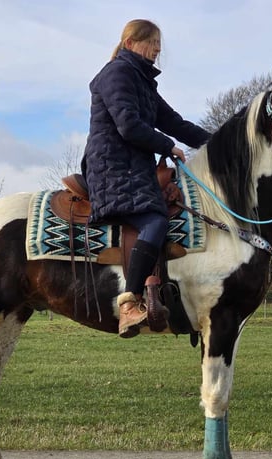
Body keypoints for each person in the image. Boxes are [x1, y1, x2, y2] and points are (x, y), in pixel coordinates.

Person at [82, 19, 211, 338]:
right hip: (112, 167)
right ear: (130, 43)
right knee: (155, 222)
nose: (158, 49)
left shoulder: (142, 82)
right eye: (152, 42)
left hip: (132, 167)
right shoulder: (117, 74)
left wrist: (220, 142)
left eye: (158, 44)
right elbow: (128, 126)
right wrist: (168, 146)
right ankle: (129, 303)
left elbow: (176, 123)